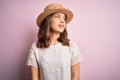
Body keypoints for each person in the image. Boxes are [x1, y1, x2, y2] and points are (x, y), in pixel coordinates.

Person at [26, 3, 83, 80]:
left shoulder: (71, 46)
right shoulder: (35, 48)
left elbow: (75, 77)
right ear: (48, 21)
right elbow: (34, 78)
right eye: (57, 17)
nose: (62, 21)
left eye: (64, 18)